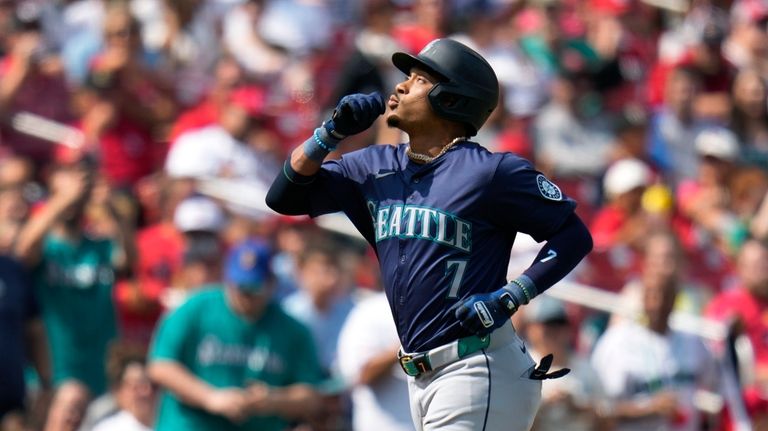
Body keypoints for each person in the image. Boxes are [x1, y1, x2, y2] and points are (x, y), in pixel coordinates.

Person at [266, 38, 593, 431]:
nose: (401, 86)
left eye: (420, 80)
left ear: (452, 99)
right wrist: (330, 133)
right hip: (421, 378)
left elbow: (573, 235)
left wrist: (513, 294)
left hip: (477, 366)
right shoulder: (372, 166)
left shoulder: (490, 173)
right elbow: (283, 196)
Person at [147, 239, 325, 431]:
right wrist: (210, 397)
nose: (246, 296)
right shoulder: (196, 308)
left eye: (253, 288)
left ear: (271, 284)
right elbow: (160, 365)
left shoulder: (292, 328)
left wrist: (273, 400)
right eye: (240, 287)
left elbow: (311, 395)